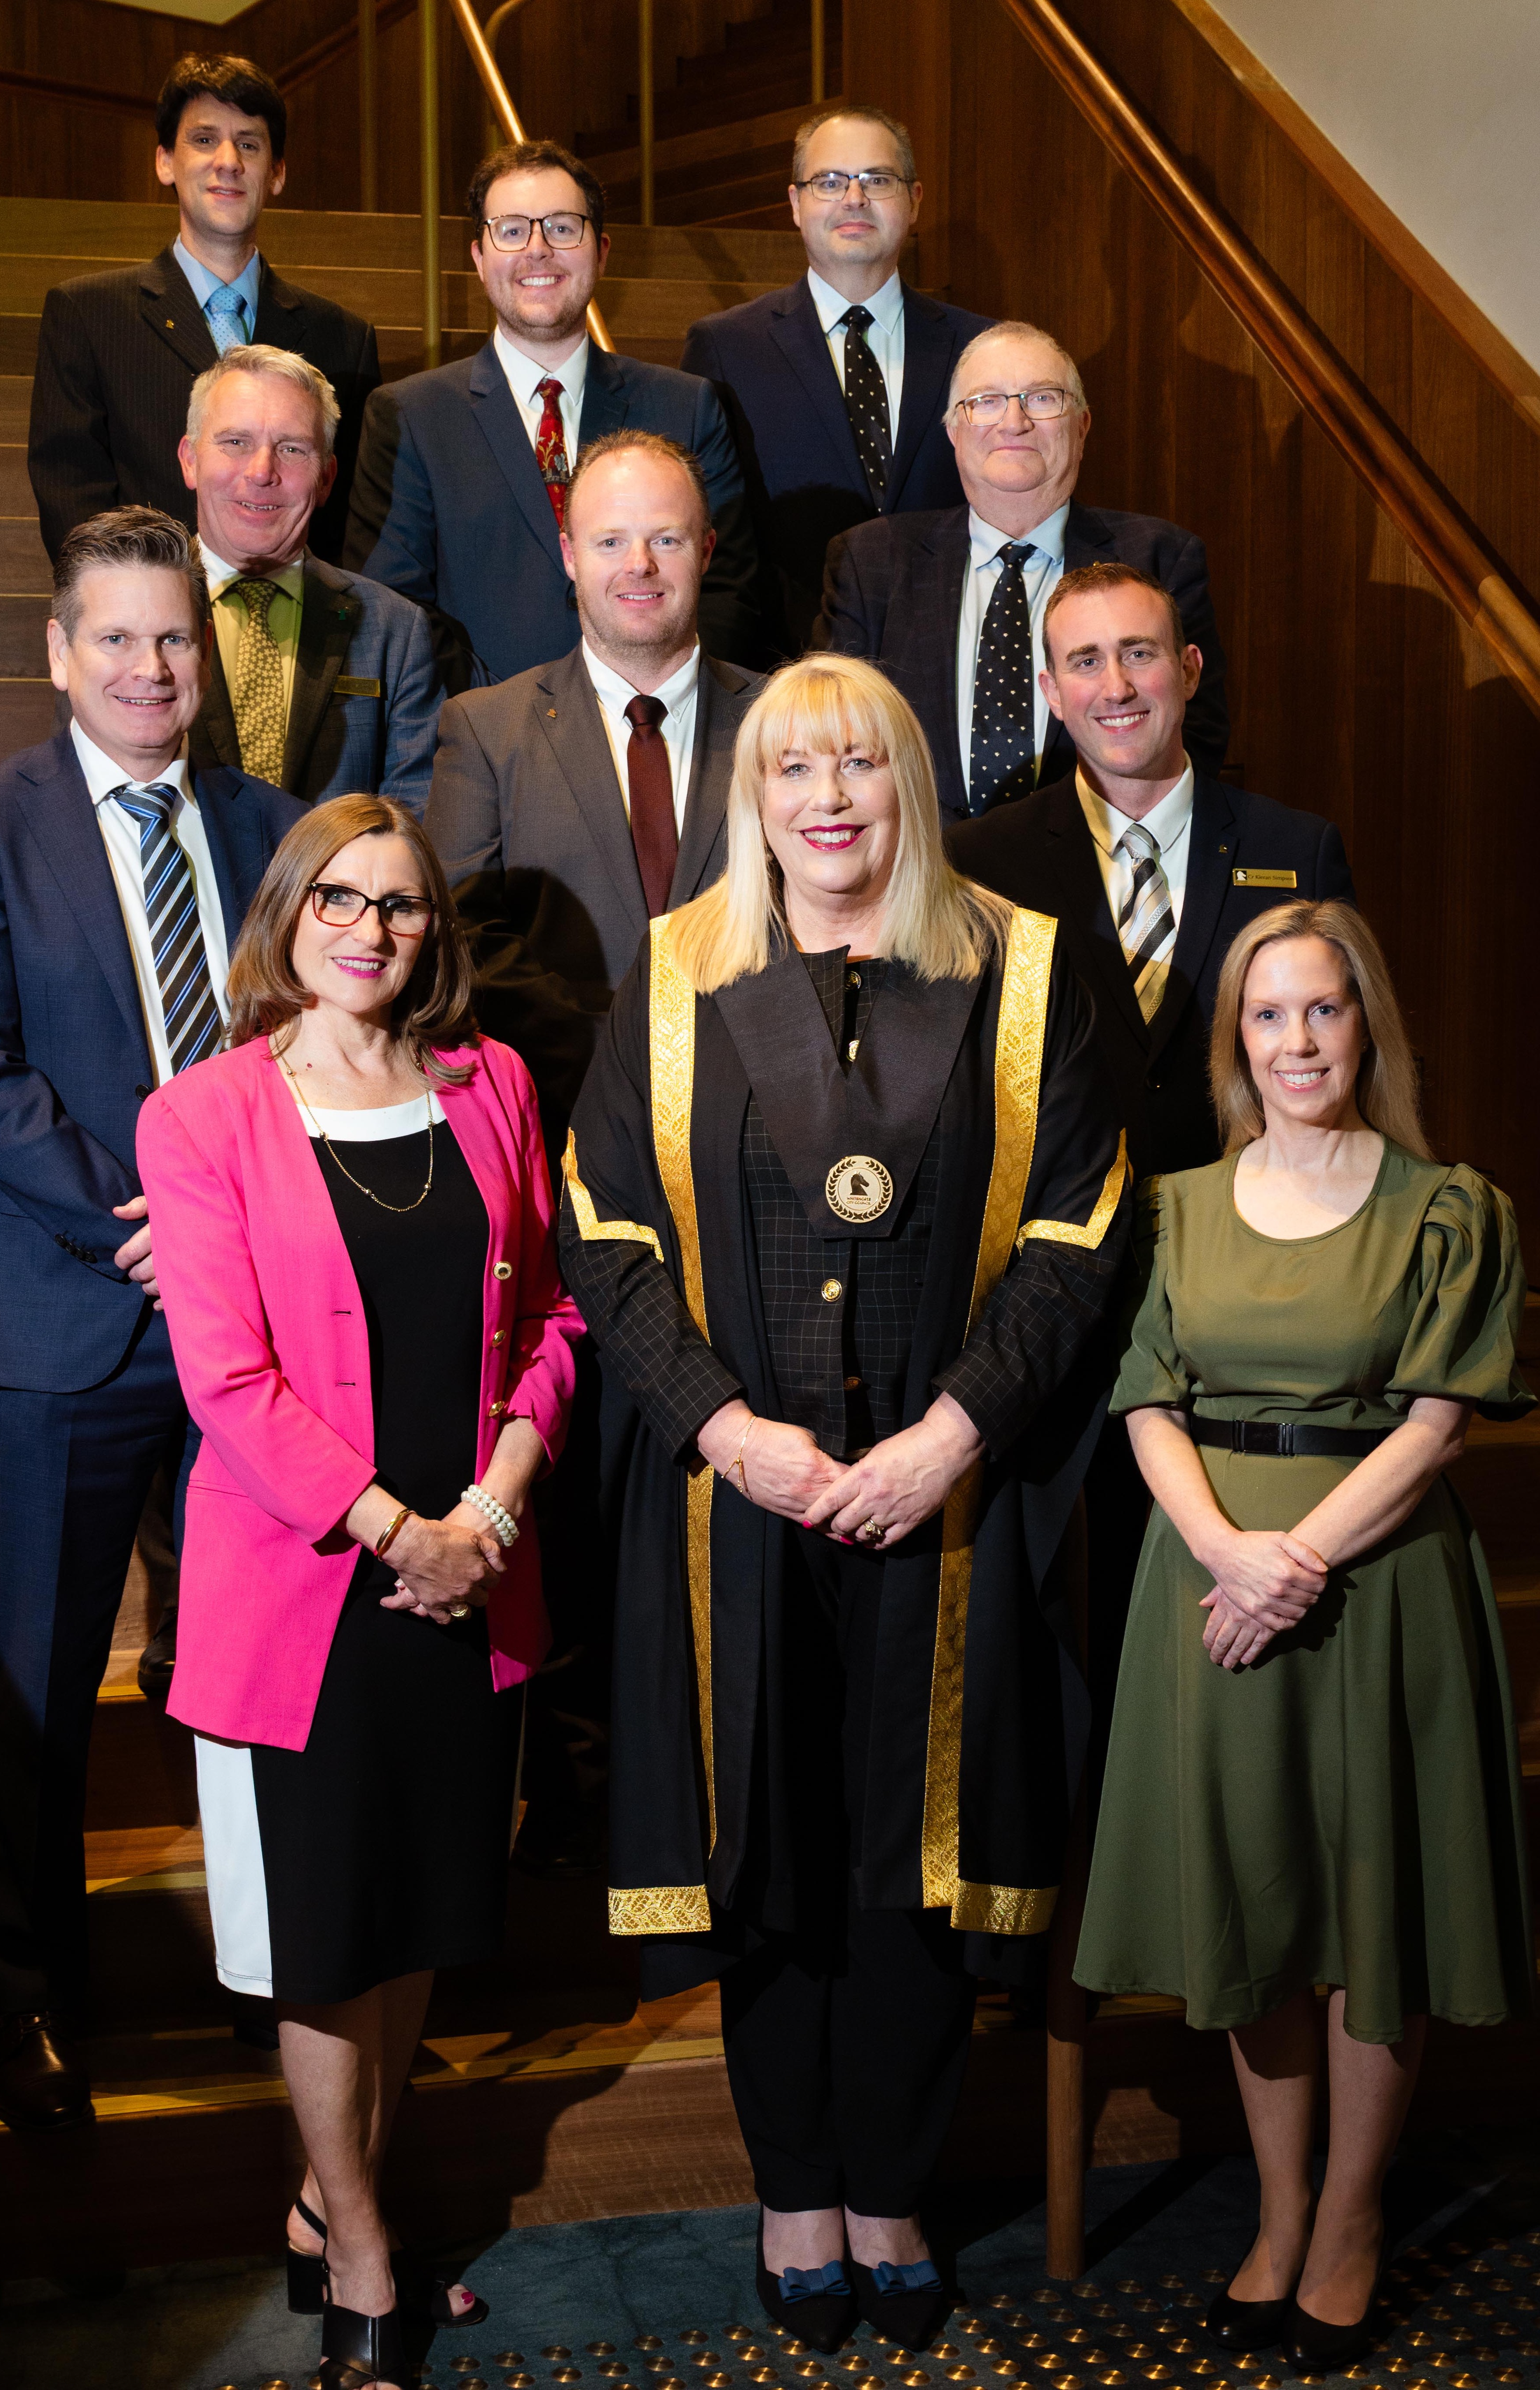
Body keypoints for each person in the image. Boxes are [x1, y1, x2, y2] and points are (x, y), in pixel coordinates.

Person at [559, 655, 1128, 2352]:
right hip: (743, 1494)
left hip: (936, 1493)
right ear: (756, 795)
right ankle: (787, 2180)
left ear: (904, 786)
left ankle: (885, 2181)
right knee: (774, 1843)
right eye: (795, 769)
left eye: (860, 768)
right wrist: (720, 1427)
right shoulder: (673, 977)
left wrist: (956, 1431)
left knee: (907, 1856)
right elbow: (606, 1229)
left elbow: (1073, 1228)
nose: (828, 800)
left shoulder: (1017, 974)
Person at [137, 795, 580, 2390]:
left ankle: (339, 2202)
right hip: (307, 1595)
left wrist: (492, 1510)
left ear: (430, 933)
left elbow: (550, 1322)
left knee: (413, 1926)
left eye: (397, 906)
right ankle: (365, 2249)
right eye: (336, 898)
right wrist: (407, 1531)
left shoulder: (494, 1085)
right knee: (326, 1939)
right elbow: (228, 1382)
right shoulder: (199, 1118)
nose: (368, 929)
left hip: (472, 1571)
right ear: (286, 913)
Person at [1075, 903, 1533, 2375]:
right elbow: (1144, 1395)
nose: (1294, 1043)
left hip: (1378, 1583)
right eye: (1265, 1017)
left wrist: (1298, 1561)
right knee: (1252, 1910)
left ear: (1364, 1023)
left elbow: (1437, 1420)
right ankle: (1275, 2213)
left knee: (1367, 1914)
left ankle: (1348, 2223)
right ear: (1233, 1041)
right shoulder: (1176, 1207)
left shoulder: (1447, 1205)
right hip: (1205, 1580)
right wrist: (1225, 1553)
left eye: (1321, 1011)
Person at [0, 508, 304, 2131]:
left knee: (248, 1667)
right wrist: (145, 1219)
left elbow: (303, 1045)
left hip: (253, 1331)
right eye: (119, 639)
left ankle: (269, 1973)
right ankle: (28, 2003)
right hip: (74, 1315)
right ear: (59, 653)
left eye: (174, 638)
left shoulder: (270, 820)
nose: (152, 667)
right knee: (50, 1673)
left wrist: (234, 1232)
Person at [947, 559, 1353, 1782]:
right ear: (1052, 695)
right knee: (1046, 1643)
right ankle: (1057, 1940)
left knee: (1212, 1628)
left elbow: (1341, 1068)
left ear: (1186, 671)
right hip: (1042, 1308)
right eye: (1084, 661)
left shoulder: (1294, 846)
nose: (1114, 685)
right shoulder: (983, 863)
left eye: (1139, 655)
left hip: (1243, 1307)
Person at [429, 427, 762, 1160]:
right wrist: (617, 1057)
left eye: (666, 540)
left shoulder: (785, 724)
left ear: (706, 552)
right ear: (571, 556)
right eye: (610, 542)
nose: (638, 565)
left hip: (764, 1127)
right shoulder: (486, 729)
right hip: (562, 1128)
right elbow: (464, 934)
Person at [343, 139, 760, 681]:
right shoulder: (410, 416)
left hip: (653, 732)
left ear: (602, 250)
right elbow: (393, 609)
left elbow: (729, 590)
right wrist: (503, 724)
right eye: (512, 230)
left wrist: (649, 701)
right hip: (482, 746)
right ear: (478, 257)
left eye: (563, 228)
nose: (538, 249)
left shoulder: (688, 406)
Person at [818, 320, 1229, 815]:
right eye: (986, 401)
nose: (1014, 422)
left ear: (1082, 425)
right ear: (953, 431)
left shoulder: (1160, 558)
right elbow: (832, 741)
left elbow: (1195, 739)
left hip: (1094, 874)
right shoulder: (870, 562)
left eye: (1041, 399)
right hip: (916, 878)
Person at [29, 53, 379, 569]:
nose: (229, 160)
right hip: (152, 631)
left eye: (250, 144)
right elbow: (71, 498)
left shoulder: (344, 337)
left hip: (298, 628)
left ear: (277, 172)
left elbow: (348, 514)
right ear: (165, 161)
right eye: (204, 139)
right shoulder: (86, 314)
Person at [681, 105, 996, 663]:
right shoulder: (726, 348)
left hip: (953, 666)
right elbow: (717, 542)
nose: (854, 198)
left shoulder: (983, 349)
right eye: (829, 182)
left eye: (877, 180)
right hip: (786, 678)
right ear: (796, 204)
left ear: (915, 200)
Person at [180, 344, 464, 811]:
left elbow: (413, 819)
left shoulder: (394, 630)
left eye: (292, 449)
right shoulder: (122, 615)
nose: (261, 471)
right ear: (190, 459)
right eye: (236, 442)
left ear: (327, 477)